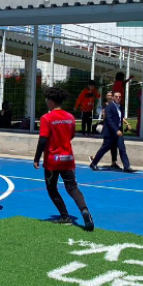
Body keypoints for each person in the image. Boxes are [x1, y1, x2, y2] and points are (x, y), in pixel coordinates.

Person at [34, 87, 94, 230]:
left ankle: (65, 216)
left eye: (47, 100)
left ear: (52, 101)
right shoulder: (70, 117)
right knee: (72, 188)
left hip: (52, 160)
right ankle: (84, 210)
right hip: (67, 158)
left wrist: (36, 158)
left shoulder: (46, 118)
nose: (46, 102)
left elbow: (43, 139)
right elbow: (71, 135)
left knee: (52, 188)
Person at [90, 92, 134, 173]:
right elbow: (109, 120)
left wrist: (125, 125)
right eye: (116, 96)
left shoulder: (121, 107)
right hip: (110, 133)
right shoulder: (109, 107)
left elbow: (120, 119)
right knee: (104, 148)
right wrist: (116, 130)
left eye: (119, 97)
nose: (118, 98)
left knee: (122, 149)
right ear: (113, 97)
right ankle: (93, 163)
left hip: (118, 132)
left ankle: (127, 166)